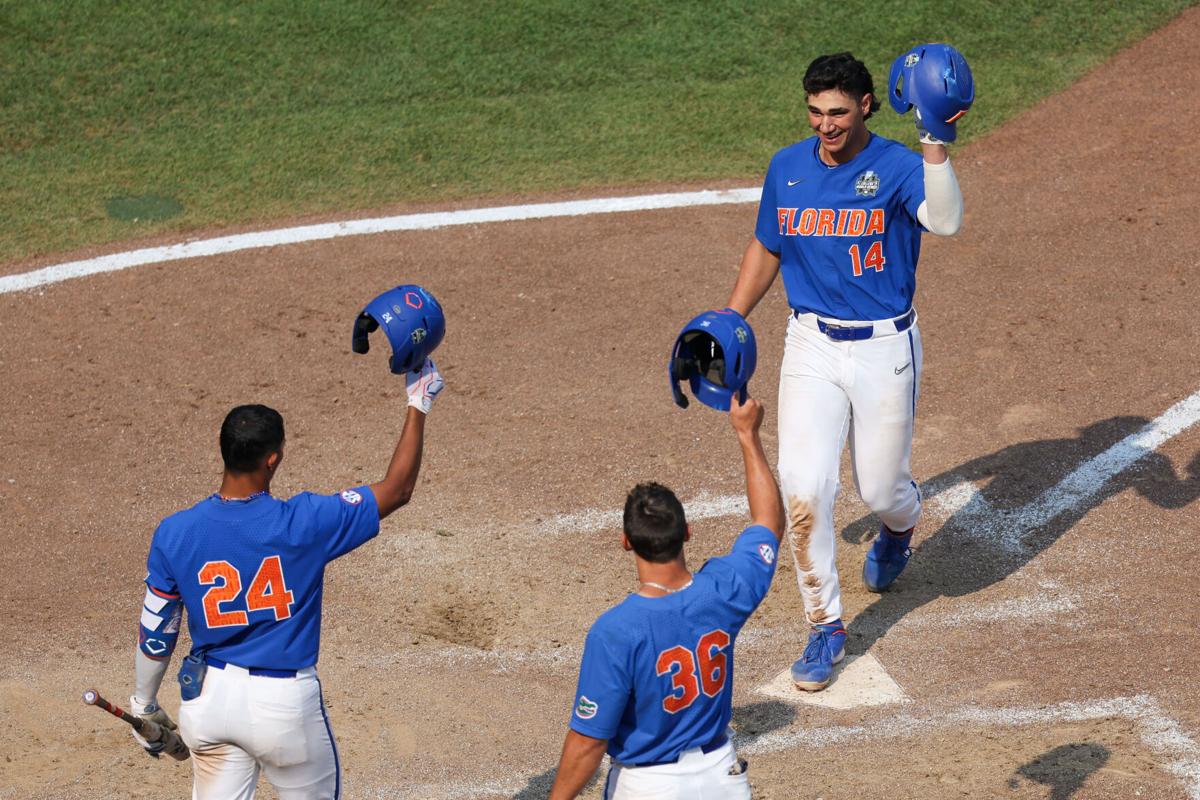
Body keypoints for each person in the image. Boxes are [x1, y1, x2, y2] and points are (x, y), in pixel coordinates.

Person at [724, 52, 964, 691]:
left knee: (880, 489)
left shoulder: (894, 166)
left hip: (884, 347)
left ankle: (899, 526)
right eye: (814, 112)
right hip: (810, 345)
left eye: (836, 112)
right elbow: (768, 243)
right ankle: (824, 624)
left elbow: (945, 220)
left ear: (864, 105)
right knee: (806, 489)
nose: (824, 124)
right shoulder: (788, 167)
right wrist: (732, 315)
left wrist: (935, 142)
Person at [127, 359, 444, 799]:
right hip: (284, 710)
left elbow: (157, 631)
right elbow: (398, 489)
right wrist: (418, 402)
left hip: (208, 703)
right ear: (272, 460)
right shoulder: (305, 522)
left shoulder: (174, 532)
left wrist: (144, 702)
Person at [549, 393, 785, 799]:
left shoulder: (617, 631)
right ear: (687, 532)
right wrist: (748, 434)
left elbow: (588, 742)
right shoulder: (723, 590)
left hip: (648, 787)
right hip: (722, 780)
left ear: (626, 542)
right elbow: (769, 522)